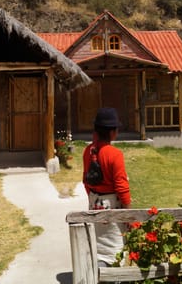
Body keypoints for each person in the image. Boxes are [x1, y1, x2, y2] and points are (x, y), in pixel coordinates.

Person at [82, 107, 131, 267]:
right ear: (112, 132)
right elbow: (122, 188)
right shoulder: (115, 154)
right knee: (114, 248)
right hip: (112, 207)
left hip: (95, 204)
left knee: (98, 246)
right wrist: (129, 214)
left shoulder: (88, 151)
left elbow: (86, 181)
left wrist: (94, 198)